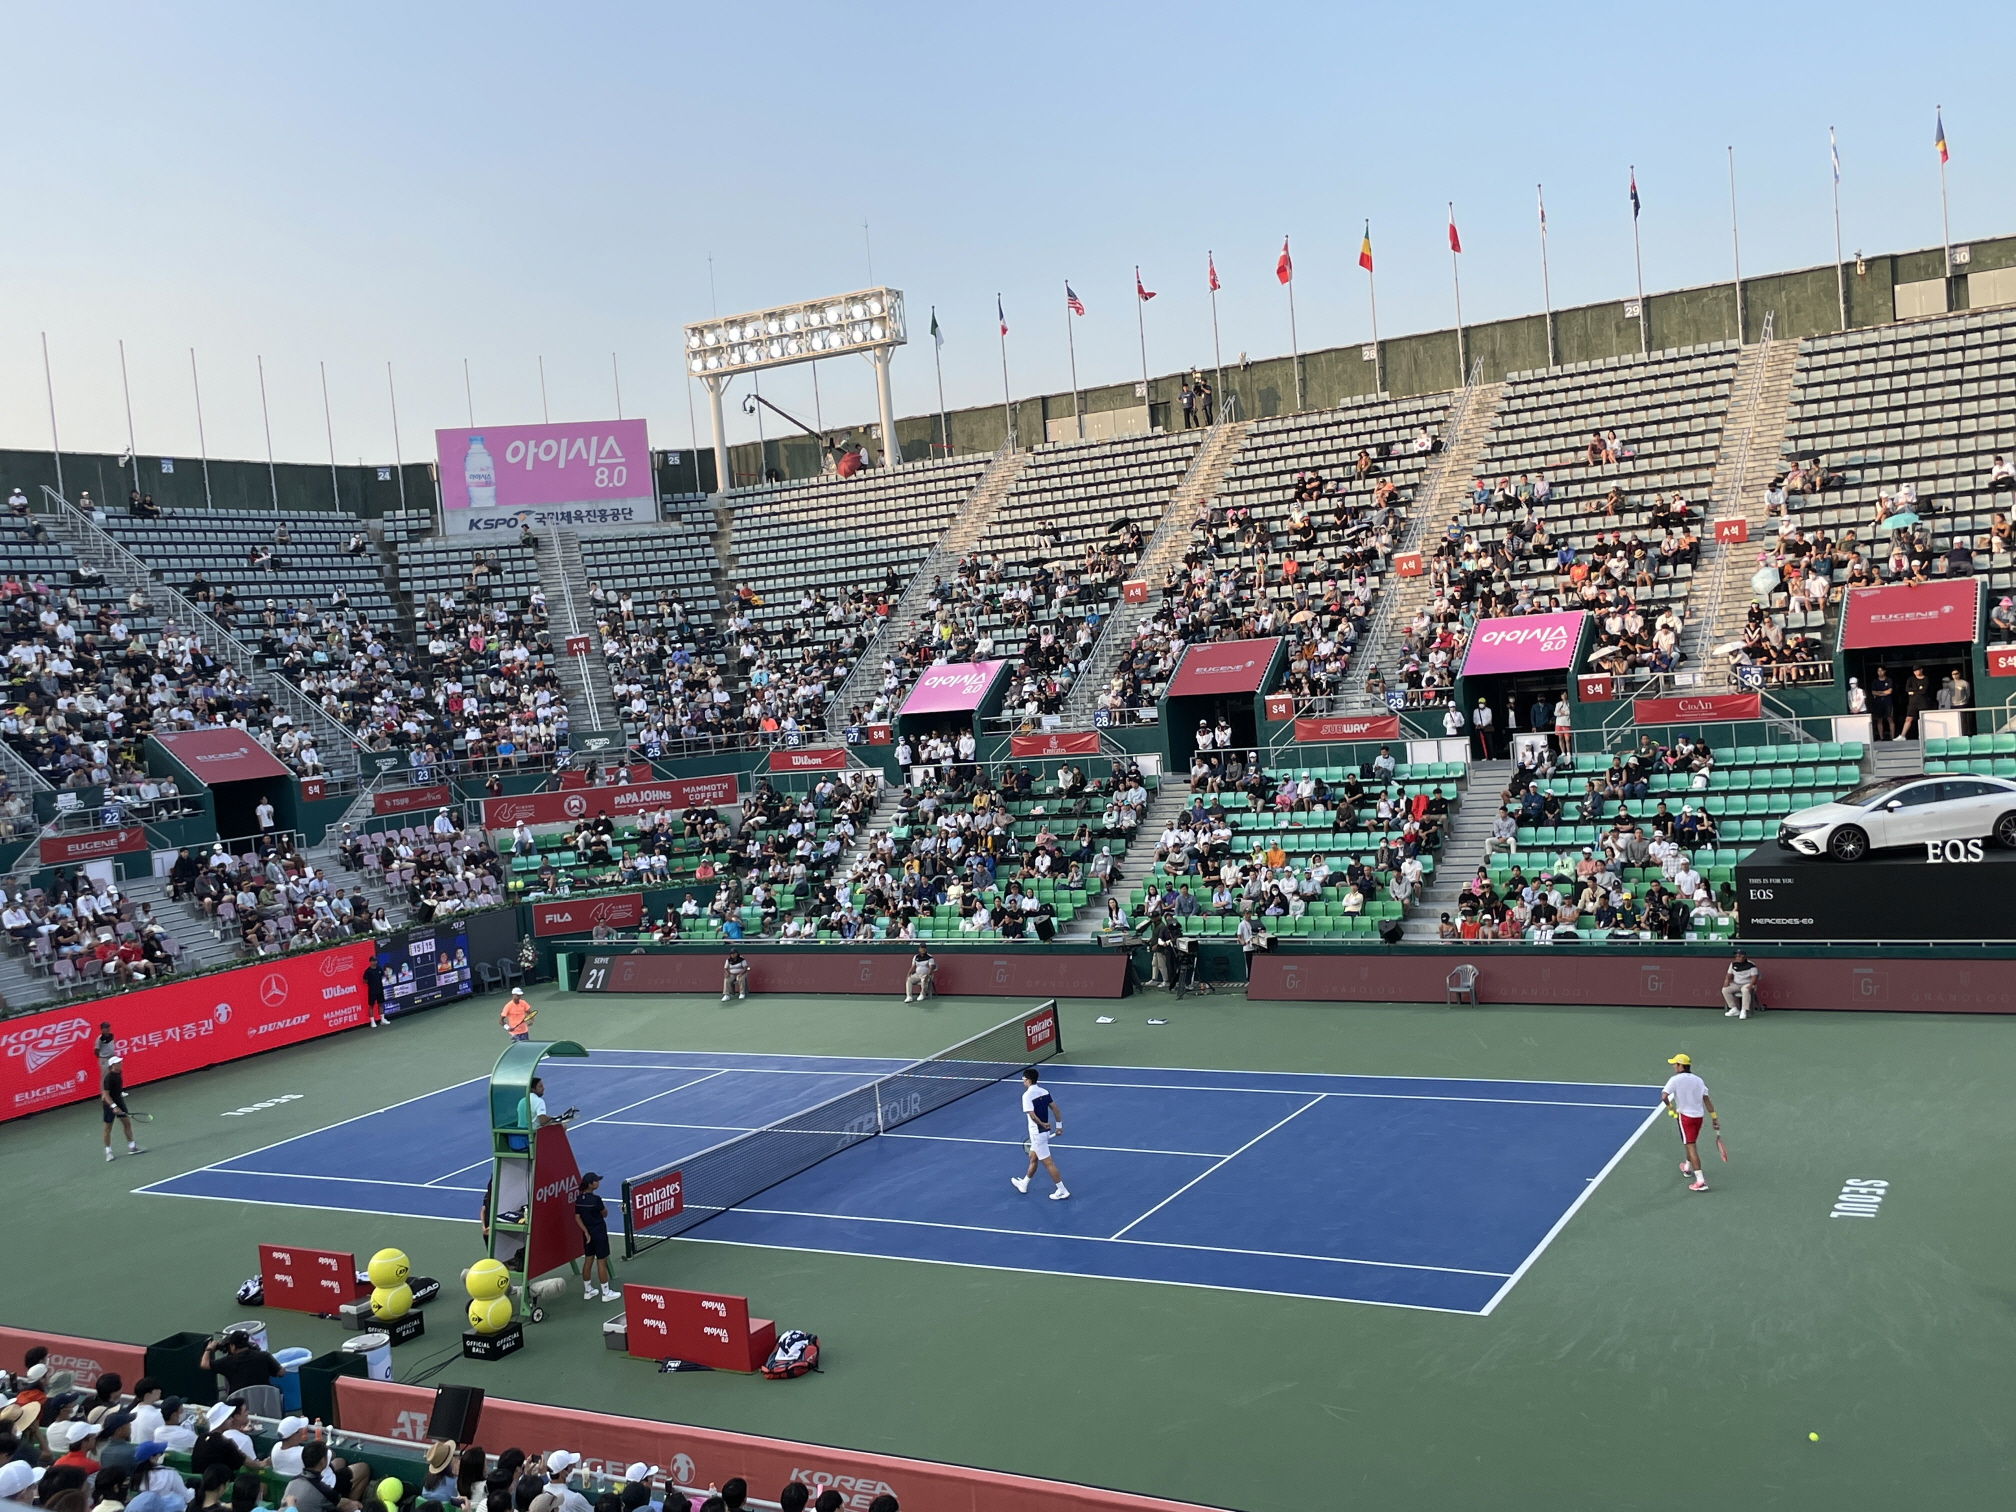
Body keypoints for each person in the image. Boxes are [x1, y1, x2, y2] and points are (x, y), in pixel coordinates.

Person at [1660, 1052, 1720, 1194]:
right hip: (1698, 1117)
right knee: (1690, 1142)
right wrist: (1714, 1118)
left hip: (1685, 1118)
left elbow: (1664, 1096)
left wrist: (1670, 1108)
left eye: (1675, 1064)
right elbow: (1706, 1100)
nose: (1674, 1066)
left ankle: (1700, 1181)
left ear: (1680, 1065)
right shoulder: (1699, 1080)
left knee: (1691, 1146)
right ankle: (1687, 1167)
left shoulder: (1675, 1080)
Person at [1010, 1066, 1068, 1200]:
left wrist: (1042, 1124)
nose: (1023, 1081)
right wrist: (1058, 1126)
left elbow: (1032, 1115)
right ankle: (1024, 1184)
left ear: (1029, 1080)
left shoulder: (1027, 1096)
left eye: (1024, 1079)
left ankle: (1062, 1190)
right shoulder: (1044, 1091)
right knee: (1033, 1157)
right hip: (1044, 1133)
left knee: (1048, 1163)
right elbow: (1055, 1108)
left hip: (1037, 1134)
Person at [574, 1172, 617, 1302]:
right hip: (599, 1233)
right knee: (601, 1262)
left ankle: (588, 1291)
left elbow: (577, 1217)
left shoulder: (579, 1199)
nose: (598, 1182)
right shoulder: (596, 1200)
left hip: (587, 1235)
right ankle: (606, 1293)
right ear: (590, 1184)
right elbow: (604, 1214)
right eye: (596, 1181)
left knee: (588, 1260)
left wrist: (585, 1232)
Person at [101, 1054, 141, 1162]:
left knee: (127, 1123)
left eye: (120, 1062)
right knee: (108, 1128)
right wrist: (114, 1106)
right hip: (109, 1105)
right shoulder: (108, 1078)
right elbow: (105, 1095)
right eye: (118, 1063)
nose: (120, 1064)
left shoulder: (119, 1073)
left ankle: (132, 1147)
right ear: (112, 1066)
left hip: (119, 1102)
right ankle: (108, 1152)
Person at [1722, 949, 1760, 1019]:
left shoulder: (1751, 965)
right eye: (1736, 956)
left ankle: (1744, 1011)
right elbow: (1729, 974)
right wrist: (1726, 981)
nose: (1737, 958)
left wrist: (1751, 985)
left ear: (1744, 957)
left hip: (1747, 984)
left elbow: (1754, 977)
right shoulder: (1733, 964)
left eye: (1739, 956)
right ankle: (1734, 1009)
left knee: (1745, 990)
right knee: (1725, 990)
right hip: (1736, 984)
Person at [362, 957, 387, 1027]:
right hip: (372, 991)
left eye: (375, 960)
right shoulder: (368, 971)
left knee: (380, 1004)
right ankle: (372, 1022)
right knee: (371, 1006)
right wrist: (371, 984)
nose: (375, 962)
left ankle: (382, 1019)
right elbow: (364, 981)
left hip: (380, 990)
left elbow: (382, 976)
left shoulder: (379, 969)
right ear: (370, 962)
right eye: (373, 961)